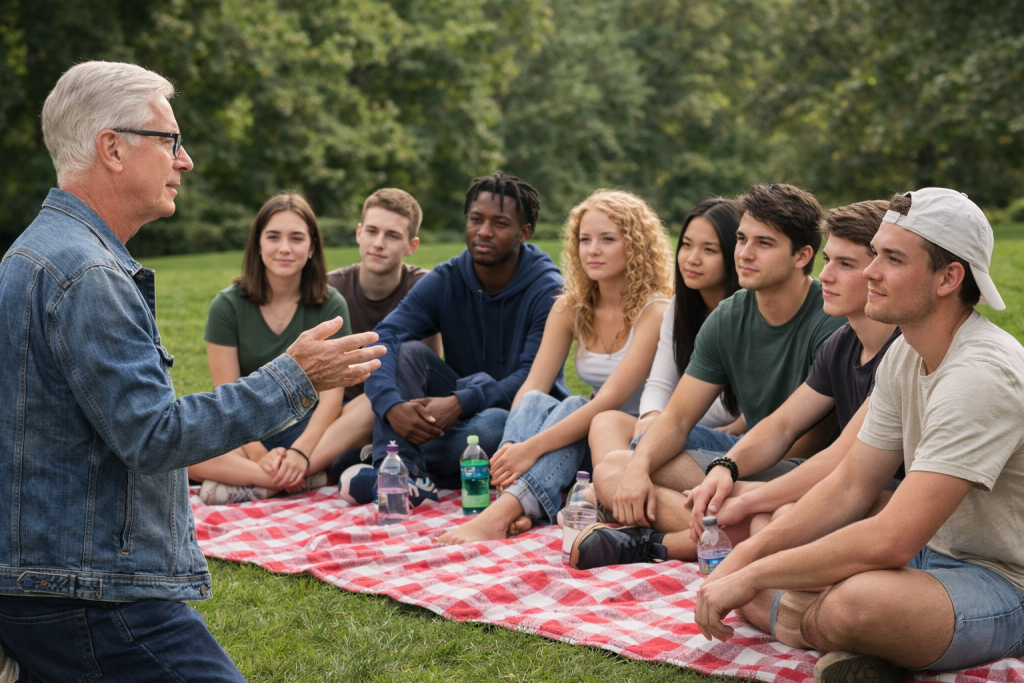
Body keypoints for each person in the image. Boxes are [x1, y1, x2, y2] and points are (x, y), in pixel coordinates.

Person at [0, 61, 384, 681]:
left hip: (55, 578)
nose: (187, 160)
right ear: (113, 149)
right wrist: (294, 376)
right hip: (92, 592)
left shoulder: (44, 253)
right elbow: (154, 436)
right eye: (170, 140)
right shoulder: (86, 274)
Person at [694, 188, 1024, 681]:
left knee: (852, 605)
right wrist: (746, 558)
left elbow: (891, 540)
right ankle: (866, 646)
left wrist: (753, 576)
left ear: (948, 278)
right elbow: (849, 485)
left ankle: (845, 629)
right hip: (929, 551)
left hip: (1003, 579)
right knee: (768, 541)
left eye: (891, 258)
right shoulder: (907, 352)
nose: (870, 271)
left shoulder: (980, 374)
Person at [574, 183, 847, 568]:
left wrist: (729, 479)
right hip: (742, 461)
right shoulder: (729, 316)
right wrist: (637, 471)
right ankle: (723, 533)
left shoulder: (830, 318)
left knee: (771, 511)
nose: (745, 254)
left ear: (803, 255)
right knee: (615, 468)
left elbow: (803, 442)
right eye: (741, 239)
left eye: (764, 244)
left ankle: (657, 540)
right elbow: (679, 416)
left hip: (806, 474)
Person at [438, 189, 673, 544]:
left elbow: (607, 401)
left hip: (631, 446)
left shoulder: (656, 311)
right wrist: (511, 449)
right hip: (584, 445)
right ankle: (511, 501)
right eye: (585, 239)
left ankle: (503, 510)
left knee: (578, 405)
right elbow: (534, 383)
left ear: (636, 246)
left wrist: (529, 450)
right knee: (534, 400)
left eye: (607, 239)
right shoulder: (570, 308)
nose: (592, 249)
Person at [339, 171, 568, 508]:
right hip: (455, 409)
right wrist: (391, 407)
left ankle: (382, 457)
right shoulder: (448, 278)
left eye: (499, 223)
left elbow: (531, 380)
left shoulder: (547, 289)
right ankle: (402, 475)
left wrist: (463, 402)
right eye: (476, 219)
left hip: (518, 416)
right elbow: (384, 336)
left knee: (493, 426)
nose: (484, 231)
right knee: (410, 352)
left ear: (524, 232)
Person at [683, 200, 901, 547]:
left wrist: (746, 500)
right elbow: (781, 425)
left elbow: (842, 460)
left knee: (773, 517)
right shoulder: (843, 340)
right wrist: (726, 466)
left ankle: (666, 540)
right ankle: (696, 535)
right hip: (841, 485)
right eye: (828, 260)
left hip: (885, 495)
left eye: (845, 264)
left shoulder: (902, 350)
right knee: (744, 503)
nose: (825, 275)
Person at [189, 192, 354, 504]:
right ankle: (279, 481)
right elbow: (228, 394)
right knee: (186, 439)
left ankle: (274, 476)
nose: (284, 248)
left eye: (296, 238)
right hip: (246, 430)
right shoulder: (227, 305)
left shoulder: (331, 303)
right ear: (258, 244)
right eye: (274, 237)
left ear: (312, 247)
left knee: (367, 409)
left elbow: (333, 397)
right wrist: (258, 455)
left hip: (308, 430)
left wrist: (301, 453)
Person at [587, 198, 744, 473]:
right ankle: (613, 494)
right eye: (686, 245)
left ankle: (607, 495)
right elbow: (659, 384)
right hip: (676, 426)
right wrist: (650, 417)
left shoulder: (745, 314)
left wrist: (664, 427)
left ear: (733, 255)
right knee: (606, 422)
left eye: (709, 249)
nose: (692, 258)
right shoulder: (679, 308)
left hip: (724, 440)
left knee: (652, 448)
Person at [322, 188, 442, 476]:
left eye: (392, 235)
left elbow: (427, 363)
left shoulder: (422, 287)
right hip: (338, 410)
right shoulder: (330, 289)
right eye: (372, 231)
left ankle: (353, 459)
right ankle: (351, 457)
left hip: (398, 408)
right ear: (359, 233)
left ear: (412, 245)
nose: (378, 243)